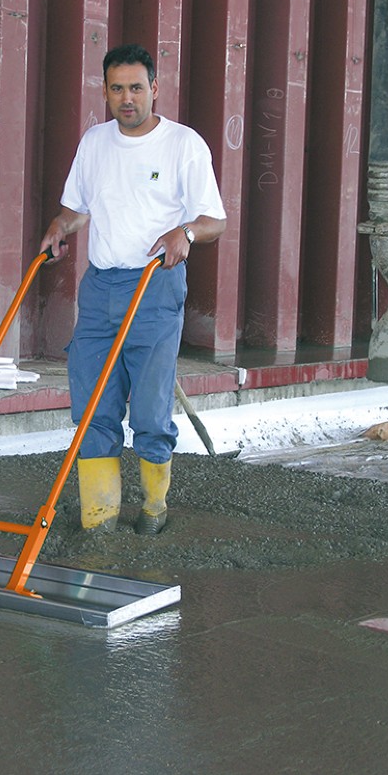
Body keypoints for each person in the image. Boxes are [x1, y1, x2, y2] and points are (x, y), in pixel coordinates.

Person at [38, 43, 227, 535]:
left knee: (148, 407)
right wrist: (60, 226)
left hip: (154, 286)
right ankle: (99, 520)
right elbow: (78, 208)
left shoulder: (184, 145)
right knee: (93, 404)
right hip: (100, 288)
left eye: (137, 88)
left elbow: (213, 220)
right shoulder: (95, 142)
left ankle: (152, 511)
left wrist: (183, 234)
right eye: (117, 88)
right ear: (105, 91)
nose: (127, 98)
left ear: (155, 89)